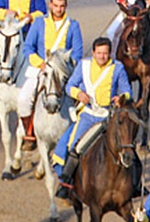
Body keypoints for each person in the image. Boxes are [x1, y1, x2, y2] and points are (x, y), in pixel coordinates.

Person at [50, 36, 132, 198]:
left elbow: (127, 91)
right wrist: (78, 93)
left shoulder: (118, 68)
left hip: (108, 116)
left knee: (126, 144)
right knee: (75, 146)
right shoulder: (83, 65)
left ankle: (134, 182)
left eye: (105, 53)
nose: (102, 56)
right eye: (99, 53)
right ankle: (66, 183)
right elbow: (69, 86)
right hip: (88, 115)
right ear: (93, 52)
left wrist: (121, 98)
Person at [16, 0, 82, 149]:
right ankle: (29, 133)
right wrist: (40, 63)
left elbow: (78, 52)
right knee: (24, 99)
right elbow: (28, 48)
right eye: (56, 6)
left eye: (62, 6)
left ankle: (77, 135)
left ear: (65, 6)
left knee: (80, 100)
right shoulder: (39, 23)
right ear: (50, 5)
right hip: (42, 68)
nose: (58, 9)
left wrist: (64, 68)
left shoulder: (73, 25)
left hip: (63, 72)